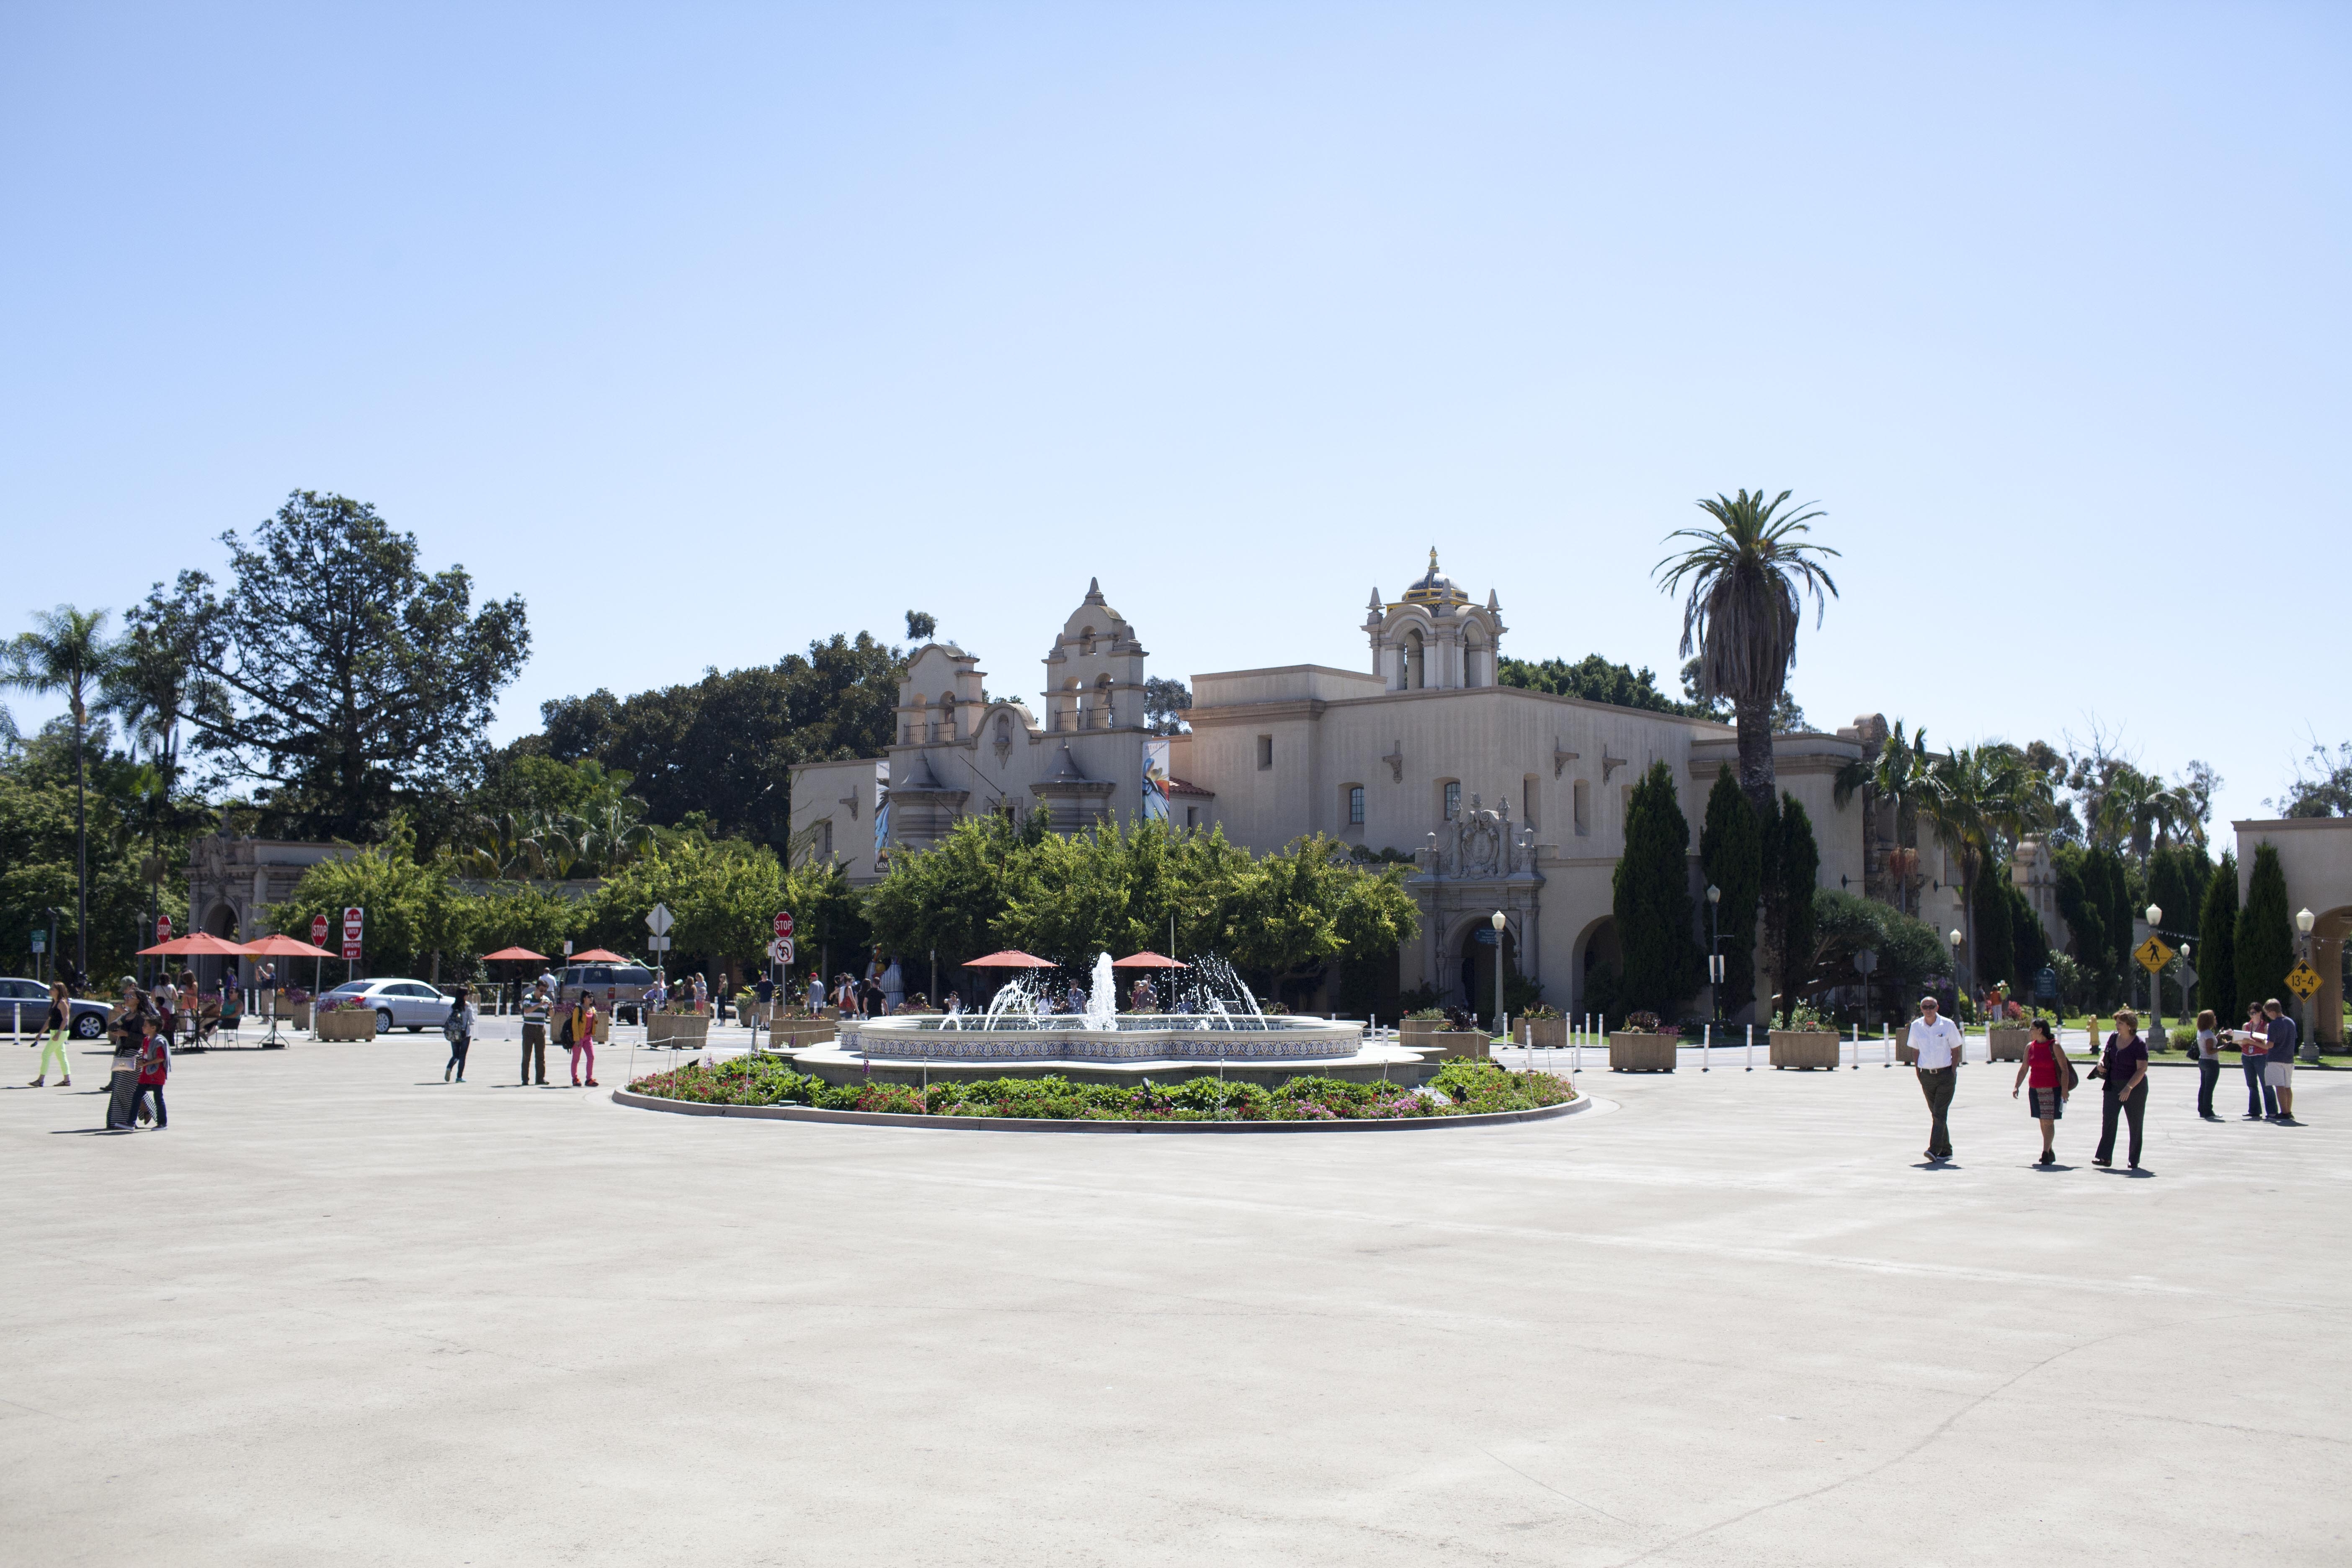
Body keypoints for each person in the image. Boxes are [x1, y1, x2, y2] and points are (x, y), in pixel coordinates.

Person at [2092, 1007, 2151, 1170]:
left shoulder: (2139, 1044)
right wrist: (2101, 1062)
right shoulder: (2113, 1037)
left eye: (2121, 1023)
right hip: (2112, 1084)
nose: (2117, 1025)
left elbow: (2142, 1069)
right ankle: (2104, 1157)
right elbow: (2106, 1053)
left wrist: (2129, 1088)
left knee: (2135, 1123)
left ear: (2130, 1025)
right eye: (2117, 1022)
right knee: (2109, 1120)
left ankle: (2134, 1159)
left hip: (2134, 1087)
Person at [1906, 994, 1964, 1161]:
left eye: (1932, 1007)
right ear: (1922, 1009)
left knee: (1939, 1113)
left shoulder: (1947, 1025)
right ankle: (1947, 1150)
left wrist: (1953, 1071)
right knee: (1936, 1113)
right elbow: (1915, 1049)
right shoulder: (1917, 1026)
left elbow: (1956, 1049)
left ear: (1937, 1008)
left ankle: (1934, 1149)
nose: (1929, 1010)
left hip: (1945, 1075)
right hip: (1926, 1075)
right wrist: (1918, 1070)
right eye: (1925, 1007)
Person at [2012, 1016, 2070, 1163]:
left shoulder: (2054, 1046)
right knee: (2043, 1122)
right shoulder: (2030, 1047)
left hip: (2051, 1089)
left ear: (2040, 1030)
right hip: (2035, 1089)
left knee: (2048, 1121)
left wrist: (2064, 1091)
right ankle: (2049, 1150)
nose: (2030, 1031)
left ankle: (2045, 1153)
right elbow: (2025, 1068)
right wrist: (2017, 1085)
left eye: (2032, 1029)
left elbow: (2064, 1069)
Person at [103, 983, 152, 1132]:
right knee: (121, 1088)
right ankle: (121, 1119)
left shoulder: (142, 1017)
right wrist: (121, 1017)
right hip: (122, 1055)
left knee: (129, 1089)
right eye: (126, 996)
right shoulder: (127, 1015)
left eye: (130, 996)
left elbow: (145, 1037)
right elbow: (111, 1027)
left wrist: (126, 1034)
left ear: (138, 1000)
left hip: (134, 1055)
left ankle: (143, 1111)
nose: (127, 998)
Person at [2233, 1002, 2276, 1120]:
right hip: (2247, 1057)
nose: (2251, 1016)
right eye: (2250, 1013)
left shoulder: (2266, 1027)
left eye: (2254, 1013)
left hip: (2261, 1057)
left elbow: (2267, 1046)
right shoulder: (2246, 1026)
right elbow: (2242, 1043)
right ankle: (2254, 1111)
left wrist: (2251, 1042)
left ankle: (2272, 1112)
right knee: (2252, 1085)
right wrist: (2238, 1041)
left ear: (2260, 1013)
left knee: (2266, 1084)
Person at [2262, 998, 2298, 1124]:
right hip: (2289, 1059)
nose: (2268, 1016)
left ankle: (2284, 1112)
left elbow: (2270, 1045)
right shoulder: (2291, 1022)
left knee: (2280, 1086)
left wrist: (2264, 1041)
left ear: (2272, 1012)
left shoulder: (2274, 1024)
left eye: (2267, 1013)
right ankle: (2288, 1111)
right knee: (2288, 1086)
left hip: (2276, 1059)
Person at [29, 979, 71, 1087]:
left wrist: (59, 1033)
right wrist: (40, 1033)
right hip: (54, 1032)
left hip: (60, 1033)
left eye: (53, 989)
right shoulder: (55, 1002)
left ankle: (41, 1080)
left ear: (59, 991)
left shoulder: (62, 1002)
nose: (50, 990)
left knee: (46, 1054)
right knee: (62, 1056)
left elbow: (66, 1019)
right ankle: (67, 1080)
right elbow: (50, 1020)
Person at [134, 1021, 170, 1129]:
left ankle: (162, 1123)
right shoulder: (146, 1040)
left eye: (146, 1025)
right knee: (136, 1096)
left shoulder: (158, 1041)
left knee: (158, 1098)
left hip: (157, 1073)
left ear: (153, 1028)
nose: (143, 1027)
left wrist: (146, 1063)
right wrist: (141, 1062)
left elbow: (161, 1058)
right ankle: (131, 1122)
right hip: (146, 1073)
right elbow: (146, 1055)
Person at [2192, 1008, 2223, 1121]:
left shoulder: (2201, 1032)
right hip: (2211, 1062)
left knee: (2204, 1087)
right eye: (2213, 1017)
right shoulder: (2209, 1033)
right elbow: (2210, 1050)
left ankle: (2202, 1110)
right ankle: (2209, 1111)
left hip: (2203, 1061)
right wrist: (2223, 1047)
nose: (2215, 1019)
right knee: (2209, 1089)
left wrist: (2219, 1036)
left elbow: (2209, 1044)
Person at [442, 984, 477, 1083]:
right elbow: (472, 1021)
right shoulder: (468, 1006)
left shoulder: (452, 1007)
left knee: (456, 1055)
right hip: (465, 1034)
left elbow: (448, 1018)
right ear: (464, 996)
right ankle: (459, 1077)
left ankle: (449, 1067)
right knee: (463, 1056)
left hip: (454, 1033)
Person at [521, 981, 550, 1086]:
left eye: (545, 991)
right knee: (526, 1055)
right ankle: (525, 1079)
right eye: (541, 990)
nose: (543, 993)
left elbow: (552, 1014)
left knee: (541, 1056)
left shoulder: (546, 1000)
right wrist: (539, 1005)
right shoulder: (528, 997)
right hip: (529, 1028)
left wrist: (551, 1008)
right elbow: (527, 1010)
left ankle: (540, 1078)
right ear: (536, 988)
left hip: (540, 1029)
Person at [569, 994, 598, 1087]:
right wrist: (577, 1039)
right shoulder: (578, 1009)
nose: (591, 999)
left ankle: (589, 1079)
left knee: (591, 1057)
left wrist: (596, 1019)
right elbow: (574, 1025)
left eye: (592, 997)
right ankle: (575, 1078)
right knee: (576, 1059)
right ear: (584, 998)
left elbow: (595, 1023)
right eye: (589, 997)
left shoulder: (592, 1009)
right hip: (579, 1038)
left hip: (588, 1037)